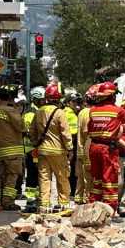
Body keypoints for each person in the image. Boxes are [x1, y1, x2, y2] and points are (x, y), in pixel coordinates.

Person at [87, 81, 125, 214]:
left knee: (97, 179)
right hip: (108, 149)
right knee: (110, 180)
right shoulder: (118, 111)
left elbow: (89, 129)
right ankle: (110, 210)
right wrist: (122, 127)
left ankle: (93, 207)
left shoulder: (93, 111)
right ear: (111, 96)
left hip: (94, 147)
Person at [29, 83, 72, 213]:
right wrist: (70, 148)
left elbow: (32, 131)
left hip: (42, 151)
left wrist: (35, 142)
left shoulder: (39, 111)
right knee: (62, 177)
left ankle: (44, 205)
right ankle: (63, 203)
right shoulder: (60, 113)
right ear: (58, 99)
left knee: (44, 178)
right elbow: (65, 132)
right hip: (58, 151)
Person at [0, 85, 24, 211]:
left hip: (1, 150)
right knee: (12, 177)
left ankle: (2, 200)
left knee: (3, 176)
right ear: (11, 97)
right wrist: (17, 110)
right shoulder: (10, 111)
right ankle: (8, 202)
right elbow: (21, 126)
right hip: (13, 151)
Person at [21, 87, 43, 212]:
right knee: (33, 176)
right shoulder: (32, 114)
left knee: (36, 175)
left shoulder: (31, 113)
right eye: (41, 99)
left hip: (32, 149)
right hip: (33, 150)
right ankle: (31, 201)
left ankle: (35, 200)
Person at [73, 91, 93, 204]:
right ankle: (87, 200)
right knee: (88, 178)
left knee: (80, 177)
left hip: (80, 149)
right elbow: (87, 132)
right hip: (87, 149)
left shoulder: (81, 112)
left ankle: (78, 198)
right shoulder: (89, 112)